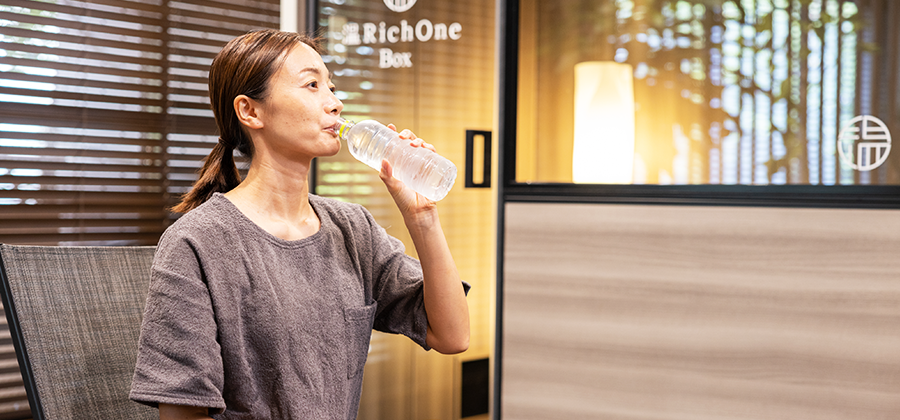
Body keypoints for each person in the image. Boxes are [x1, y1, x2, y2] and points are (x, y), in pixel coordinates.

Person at [129, 29, 470, 420]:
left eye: (332, 87)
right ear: (250, 111)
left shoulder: (352, 228)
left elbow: (452, 335)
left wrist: (422, 217)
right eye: (312, 85)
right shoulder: (198, 242)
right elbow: (181, 415)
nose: (335, 103)